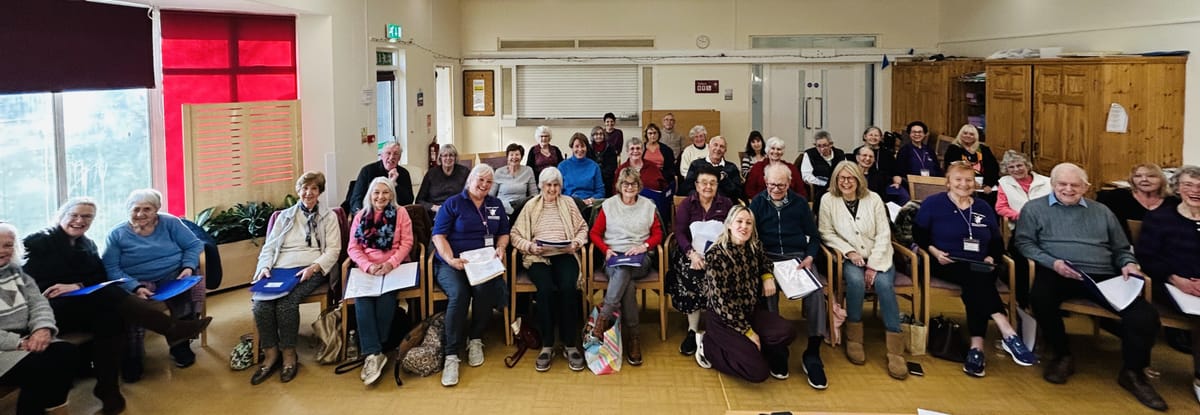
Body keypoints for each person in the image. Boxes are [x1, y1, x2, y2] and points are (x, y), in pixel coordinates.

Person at [23, 198, 210, 412]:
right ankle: (171, 328)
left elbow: (97, 276)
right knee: (110, 295)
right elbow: (32, 287)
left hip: (83, 306)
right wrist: (66, 288)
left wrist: (76, 285)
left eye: (86, 217)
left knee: (111, 318)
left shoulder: (87, 245)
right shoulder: (40, 244)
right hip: (49, 311)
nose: (79, 221)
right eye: (74, 215)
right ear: (61, 216)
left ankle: (108, 389)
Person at [1015, 162, 1165, 411]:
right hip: (1059, 270)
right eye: (1062, 184)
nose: (1068, 189)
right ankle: (1062, 354)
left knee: (1144, 315)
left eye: (1075, 185)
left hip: (1102, 273)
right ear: (1052, 185)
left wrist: (1128, 263)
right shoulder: (1034, 209)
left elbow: (1121, 248)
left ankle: (1133, 372)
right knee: (1041, 298)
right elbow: (1024, 243)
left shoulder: (1102, 211)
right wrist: (1053, 263)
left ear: (1086, 187)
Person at [914, 162, 1034, 378]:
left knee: (976, 281)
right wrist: (935, 252)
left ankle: (977, 349)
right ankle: (1005, 330)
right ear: (948, 182)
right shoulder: (934, 203)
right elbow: (919, 235)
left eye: (969, 180)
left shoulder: (983, 207)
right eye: (958, 179)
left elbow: (997, 242)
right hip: (945, 261)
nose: (964, 184)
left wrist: (991, 257)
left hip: (981, 263)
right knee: (976, 279)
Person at [102, 188, 206, 379]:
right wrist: (135, 286)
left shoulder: (170, 223)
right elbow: (111, 268)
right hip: (137, 279)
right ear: (128, 210)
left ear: (156, 210)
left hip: (173, 272)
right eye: (136, 209)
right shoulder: (117, 234)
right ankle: (133, 356)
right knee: (135, 306)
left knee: (189, 290)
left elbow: (194, 245)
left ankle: (179, 345)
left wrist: (188, 267)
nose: (141, 214)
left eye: (147, 209)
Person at [248, 172, 341, 385]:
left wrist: (315, 267)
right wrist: (264, 268)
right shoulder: (285, 216)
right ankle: (271, 353)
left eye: (314, 189)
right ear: (298, 191)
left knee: (286, 305)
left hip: (310, 268)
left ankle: (289, 354)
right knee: (261, 305)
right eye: (305, 188)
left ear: (320, 192)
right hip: (280, 268)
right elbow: (269, 247)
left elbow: (334, 249)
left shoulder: (329, 217)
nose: (309, 193)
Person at [818, 162, 908, 379]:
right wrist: (849, 252)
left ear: (859, 179)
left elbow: (884, 234)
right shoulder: (828, 200)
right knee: (856, 283)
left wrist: (874, 264)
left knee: (885, 285)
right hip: (850, 257)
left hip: (879, 255)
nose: (846, 182)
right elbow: (826, 232)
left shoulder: (874, 199)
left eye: (851, 178)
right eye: (841, 178)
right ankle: (854, 337)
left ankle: (895, 348)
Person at [692, 206, 797, 382]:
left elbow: (765, 261)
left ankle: (751, 348)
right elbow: (722, 304)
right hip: (724, 319)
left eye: (748, 223)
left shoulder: (754, 246)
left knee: (788, 331)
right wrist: (748, 332)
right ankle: (707, 346)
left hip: (750, 311)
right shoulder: (717, 255)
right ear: (729, 225)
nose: (744, 226)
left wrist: (767, 276)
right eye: (739, 222)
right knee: (757, 372)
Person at [748, 163, 827, 389]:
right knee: (767, 292)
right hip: (769, 258)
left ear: (789, 183)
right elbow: (753, 241)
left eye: (780, 185)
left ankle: (813, 351)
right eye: (771, 184)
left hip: (797, 258)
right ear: (765, 182)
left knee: (816, 289)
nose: (775, 189)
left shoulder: (800, 203)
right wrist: (765, 271)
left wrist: (810, 257)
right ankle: (777, 347)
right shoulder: (758, 203)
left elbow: (814, 236)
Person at [431, 164, 510, 387]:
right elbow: (439, 236)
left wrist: (501, 248)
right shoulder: (453, 203)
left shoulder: (496, 204)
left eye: (488, 182)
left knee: (485, 288)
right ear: (470, 180)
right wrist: (450, 259)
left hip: (483, 261)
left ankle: (475, 338)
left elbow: (504, 232)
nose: (484, 185)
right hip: (454, 262)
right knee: (459, 294)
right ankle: (451, 354)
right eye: (480, 180)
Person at [509, 167, 589, 372]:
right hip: (538, 257)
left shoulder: (569, 203)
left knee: (568, 288)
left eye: (556, 185)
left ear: (560, 187)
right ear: (541, 186)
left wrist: (576, 244)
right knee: (544, 290)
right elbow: (515, 234)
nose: (552, 189)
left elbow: (582, 229)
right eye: (548, 185)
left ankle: (570, 344)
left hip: (564, 254)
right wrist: (530, 247)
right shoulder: (531, 206)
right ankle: (547, 344)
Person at [1135, 165, 1200, 405]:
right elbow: (1146, 257)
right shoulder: (1160, 218)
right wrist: (1176, 278)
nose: (1195, 191)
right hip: (1169, 283)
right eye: (1188, 185)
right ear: (1177, 188)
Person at [589, 168, 664, 367]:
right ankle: (634, 337)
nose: (629, 187)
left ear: (639, 186)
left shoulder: (648, 205)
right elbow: (595, 233)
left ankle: (603, 319)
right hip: (614, 257)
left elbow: (658, 234)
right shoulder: (609, 205)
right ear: (619, 186)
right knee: (627, 282)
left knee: (624, 272)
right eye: (625, 184)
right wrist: (605, 250)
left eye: (633, 184)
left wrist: (644, 246)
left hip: (640, 258)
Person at [0, 223, 77, 415]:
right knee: (41, 368)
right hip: (4, 347)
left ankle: (55, 409)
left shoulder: (18, 273)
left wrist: (42, 329)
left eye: (8, 245)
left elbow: (39, 304)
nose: (2, 251)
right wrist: (18, 343)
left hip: (27, 338)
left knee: (66, 352)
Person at [347, 177, 414, 385]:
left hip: (394, 267)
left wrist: (390, 264)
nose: (380, 197)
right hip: (367, 268)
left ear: (391, 195)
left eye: (385, 192)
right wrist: (367, 266)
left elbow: (407, 243)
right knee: (363, 300)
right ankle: (375, 353)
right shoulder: (361, 215)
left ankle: (374, 351)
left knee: (386, 299)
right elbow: (353, 248)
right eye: (376, 192)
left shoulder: (401, 213)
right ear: (370, 194)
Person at [670, 167, 733, 357]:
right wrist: (692, 253)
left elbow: (732, 232)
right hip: (691, 252)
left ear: (717, 185)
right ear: (696, 185)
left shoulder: (726, 203)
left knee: (722, 273)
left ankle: (717, 327)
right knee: (692, 274)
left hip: (718, 253)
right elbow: (679, 232)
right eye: (704, 183)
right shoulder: (688, 204)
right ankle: (692, 329)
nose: (708, 187)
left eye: (712, 183)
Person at [994, 150, 1050, 308]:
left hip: (1047, 228)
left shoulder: (1046, 182)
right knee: (1022, 260)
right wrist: (1020, 216)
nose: (1016, 169)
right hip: (1021, 228)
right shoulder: (1004, 183)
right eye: (1011, 167)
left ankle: (1046, 299)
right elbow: (1000, 207)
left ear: (1027, 166)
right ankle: (1022, 299)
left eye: (1019, 165)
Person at [1097, 163, 1179, 240]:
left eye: (1151, 176)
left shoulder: (1174, 202)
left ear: (1162, 180)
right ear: (1132, 180)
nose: (1144, 179)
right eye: (1137, 176)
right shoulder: (1117, 197)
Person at [349, 141, 414, 216]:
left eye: (396, 154)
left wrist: (393, 184)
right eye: (388, 153)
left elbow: (409, 201)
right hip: (369, 214)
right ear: (381, 155)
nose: (392, 157)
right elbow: (356, 198)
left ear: (399, 158)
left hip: (396, 215)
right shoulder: (367, 170)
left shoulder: (404, 173)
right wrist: (360, 214)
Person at [942, 124, 1000, 198]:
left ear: (976, 136)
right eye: (965, 133)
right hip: (963, 184)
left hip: (984, 185)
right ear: (960, 134)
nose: (968, 136)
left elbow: (993, 168)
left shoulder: (984, 149)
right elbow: (951, 169)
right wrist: (971, 182)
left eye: (971, 134)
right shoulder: (953, 149)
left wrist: (988, 184)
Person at [680, 136, 743, 203]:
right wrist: (703, 198)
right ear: (709, 147)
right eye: (715, 145)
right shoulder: (696, 164)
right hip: (700, 205)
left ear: (725, 150)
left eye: (721, 147)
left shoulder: (731, 167)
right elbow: (687, 188)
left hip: (724, 207)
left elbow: (738, 192)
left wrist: (724, 180)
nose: (718, 148)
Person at [744, 136, 808, 201]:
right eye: (772, 148)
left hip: (788, 204)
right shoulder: (757, 167)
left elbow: (801, 191)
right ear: (767, 150)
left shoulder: (791, 168)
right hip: (763, 204)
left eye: (779, 149)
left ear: (782, 152)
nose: (775, 152)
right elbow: (749, 191)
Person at [416, 143, 471, 218]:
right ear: (440, 158)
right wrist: (434, 207)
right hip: (436, 212)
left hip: (458, 211)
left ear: (455, 157)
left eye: (451, 155)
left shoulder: (464, 172)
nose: (448, 158)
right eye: (445, 155)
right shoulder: (431, 174)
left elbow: (470, 195)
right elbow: (419, 201)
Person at [798, 130, 846, 204]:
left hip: (839, 185)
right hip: (820, 187)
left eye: (825, 145)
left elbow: (846, 170)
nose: (822, 149)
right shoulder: (809, 154)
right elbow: (806, 176)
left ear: (831, 144)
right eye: (819, 146)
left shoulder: (840, 154)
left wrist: (836, 184)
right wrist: (824, 184)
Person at [492, 143, 539, 217]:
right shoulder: (499, 172)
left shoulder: (528, 170)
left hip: (521, 207)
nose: (514, 157)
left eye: (517, 154)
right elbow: (491, 195)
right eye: (511, 155)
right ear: (507, 157)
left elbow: (534, 194)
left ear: (521, 157)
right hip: (503, 206)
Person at [561, 133, 606, 208]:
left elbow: (600, 191)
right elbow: (559, 191)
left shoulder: (594, 166)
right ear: (572, 148)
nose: (580, 149)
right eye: (576, 146)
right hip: (569, 205)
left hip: (590, 206)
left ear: (587, 148)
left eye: (583, 146)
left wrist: (591, 200)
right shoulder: (562, 166)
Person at [641, 123, 678, 192]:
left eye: (655, 133)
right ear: (646, 135)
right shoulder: (641, 148)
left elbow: (670, 169)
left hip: (661, 176)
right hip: (645, 175)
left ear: (658, 134)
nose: (653, 135)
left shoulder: (666, 149)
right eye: (650, 133)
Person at [586, 127, 619, 197]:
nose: (598, 136)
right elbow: (587, 165)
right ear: (592, 136)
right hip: (592, 179)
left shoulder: (610, 148)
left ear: (604, 135)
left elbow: (613, 166)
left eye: (601, 134)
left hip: (607, 180)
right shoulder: (588, 149)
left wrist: (600, 175)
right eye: (596, 134)